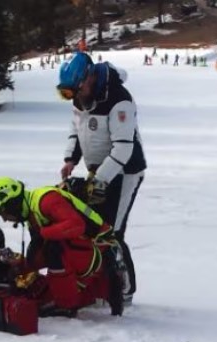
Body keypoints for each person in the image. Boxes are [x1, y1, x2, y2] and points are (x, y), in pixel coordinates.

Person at [56, 52, 146, 304]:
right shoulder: (79, 98)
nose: (73, 97)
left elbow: (123, 149)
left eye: (75, 90)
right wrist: (70, 160)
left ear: (90, 77)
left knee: (113, 231)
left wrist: (101, 179)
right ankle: (103, 282)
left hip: (126, 170)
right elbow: (76, 131)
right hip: (99, 171)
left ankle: (124, 288)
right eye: (67, 93)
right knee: (96, 228)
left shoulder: (119, 100)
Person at [0, 177, 124, 315]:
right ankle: (106, 286)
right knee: (42, 296)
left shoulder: (46, 200)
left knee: (54, 248)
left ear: (12, 205)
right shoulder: (33, 214)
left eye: (4, 213)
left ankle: (67, 305)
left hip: (101, 247)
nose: (5, 219)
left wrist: (44, 233)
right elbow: (39, 255)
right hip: (85, 250)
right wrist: (20, 266)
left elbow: (76, 225)